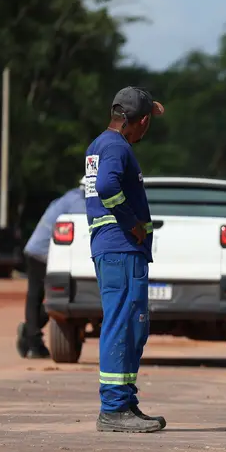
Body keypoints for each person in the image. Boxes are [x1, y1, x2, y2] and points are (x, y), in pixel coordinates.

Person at [85, 86, 165, 433]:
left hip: (115, 248)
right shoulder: (116, 146)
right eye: (149, 123)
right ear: (141, 121)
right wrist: (131, 222)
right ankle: (114, 407)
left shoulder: (101, 145)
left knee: (133, 324)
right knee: (123, 323)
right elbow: (105, 186)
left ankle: (124, 402)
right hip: (119, 248)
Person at [17, 180, 87, 359]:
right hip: (44, 253)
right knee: (45, 298)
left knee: (39, 298)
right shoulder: (79, 203)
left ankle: (30, 334)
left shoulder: (69, 197)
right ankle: (33, 340)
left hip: (39, 250)